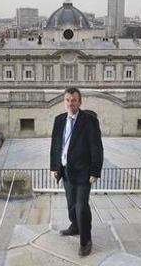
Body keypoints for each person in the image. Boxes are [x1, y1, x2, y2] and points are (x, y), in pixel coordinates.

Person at [50, 87, 104, 257]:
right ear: (64, 102)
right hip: (66, 170)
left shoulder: (89, 121)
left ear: (80, 102)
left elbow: (97, 148)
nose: (71, 103)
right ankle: (75, 226)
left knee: (81, 206)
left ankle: (86, 241)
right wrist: (54, 166)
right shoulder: (59, 120)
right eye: (67, 100)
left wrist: (95, 170)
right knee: (71, 203)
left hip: (83, 171)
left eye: (74, 100)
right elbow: (56, 145)